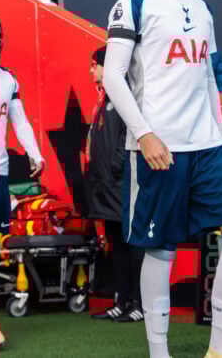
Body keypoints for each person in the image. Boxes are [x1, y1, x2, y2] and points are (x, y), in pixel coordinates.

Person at [104, 0, 222, 358]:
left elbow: (209, 76)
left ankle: (221, 350)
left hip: (208, 145)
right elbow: (114, 76)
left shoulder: (202, 6)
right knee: (161, 248)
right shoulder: (134, 0)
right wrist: (146, 134)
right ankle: (159, 352)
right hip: (159, 145)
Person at [0, 17, 45, 347]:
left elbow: (19, 120)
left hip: (1, 171)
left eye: (0, 36)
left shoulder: (8, 79)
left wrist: (35, 154)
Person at [85, 47, 144, 323]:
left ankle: (139, 304)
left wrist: (114, 169)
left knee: (132, 244)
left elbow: (131, 135)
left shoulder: (125, 96)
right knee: (116, 245)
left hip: (121, 184)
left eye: (94, 65)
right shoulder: (103, 99)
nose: (91, 71)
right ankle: (121, 300)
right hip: (105, 188)